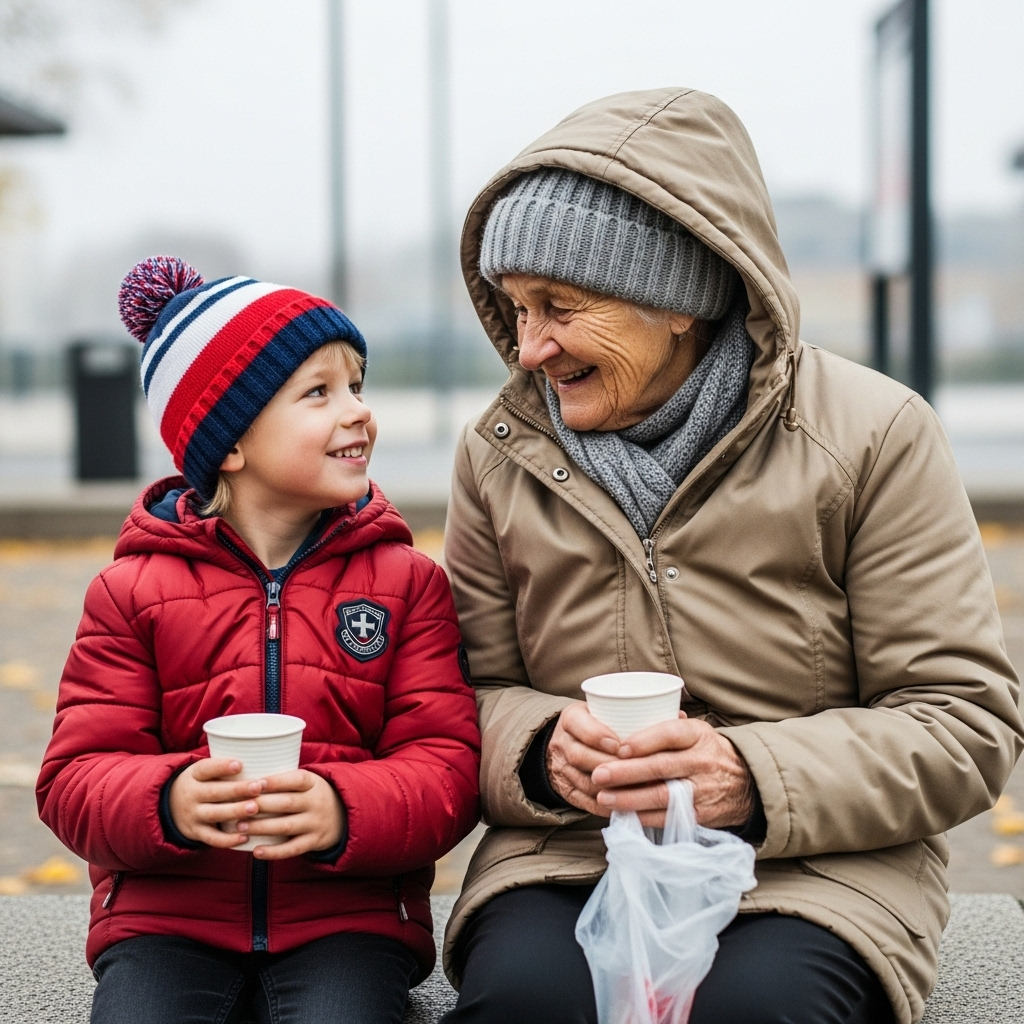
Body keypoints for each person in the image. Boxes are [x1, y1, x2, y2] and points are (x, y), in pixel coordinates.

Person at [440, 89, 1024, 1024]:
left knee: (758, 1011)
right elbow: (456, 699)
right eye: (515, 308)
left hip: (817, 867)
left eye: (560, 306)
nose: (530, 347)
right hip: (572, 853)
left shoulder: (876, 434)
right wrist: (544, 752)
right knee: (524, 1005)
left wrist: (749, 776)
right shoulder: (496, 452)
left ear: (679, 301)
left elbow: (963, 724)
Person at [36, 256, 481, 1024]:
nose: (358, 412)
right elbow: (73, 779)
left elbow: (448, 768)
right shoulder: (130, 593)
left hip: (347, 921)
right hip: (164, 923)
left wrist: (343, 809)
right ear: (230, 444)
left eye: (357, 386)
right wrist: (169, 800)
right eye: (319, 392)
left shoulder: (407, 583)